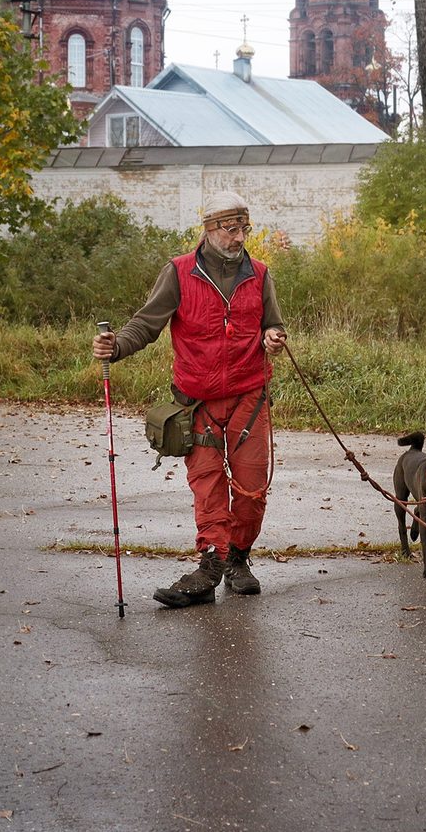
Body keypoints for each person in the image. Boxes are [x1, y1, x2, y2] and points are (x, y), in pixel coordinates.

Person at [92, 190, 288, 608]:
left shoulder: (261, 273)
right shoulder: (179, 272)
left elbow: (273, 324)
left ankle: (239, 558)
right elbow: (146, 324)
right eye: (231, 229)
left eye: (244, 228)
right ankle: (211, 565)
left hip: (248, 399)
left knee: (252, 491)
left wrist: (273, 337)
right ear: (210, 229)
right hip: (195, 404)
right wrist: (118, 346)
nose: (239, 238)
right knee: (208, 488)